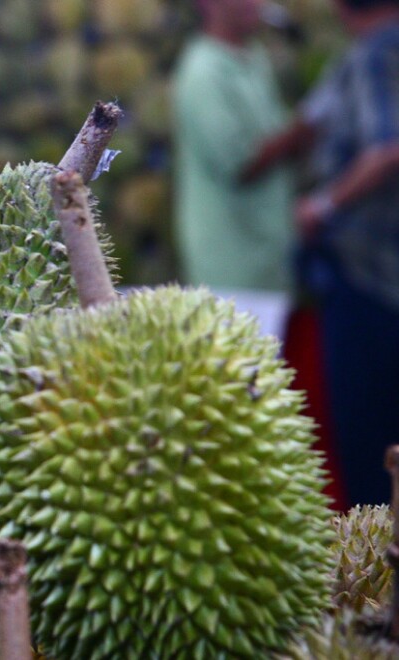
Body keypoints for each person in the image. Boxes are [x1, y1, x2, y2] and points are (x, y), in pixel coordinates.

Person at [243, 0, 399, 505]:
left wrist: (321, 205)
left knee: (370, 446)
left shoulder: (377, 54)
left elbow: (388, 147)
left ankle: (377, 571)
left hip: (370, 278)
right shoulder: (361, 56)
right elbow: (314, 117)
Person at [172, 0, 295, 292]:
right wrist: (300, 134)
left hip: (270, 252)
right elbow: (238, 165)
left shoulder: (255, 58)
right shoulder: (202, 72)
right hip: (229, 261)